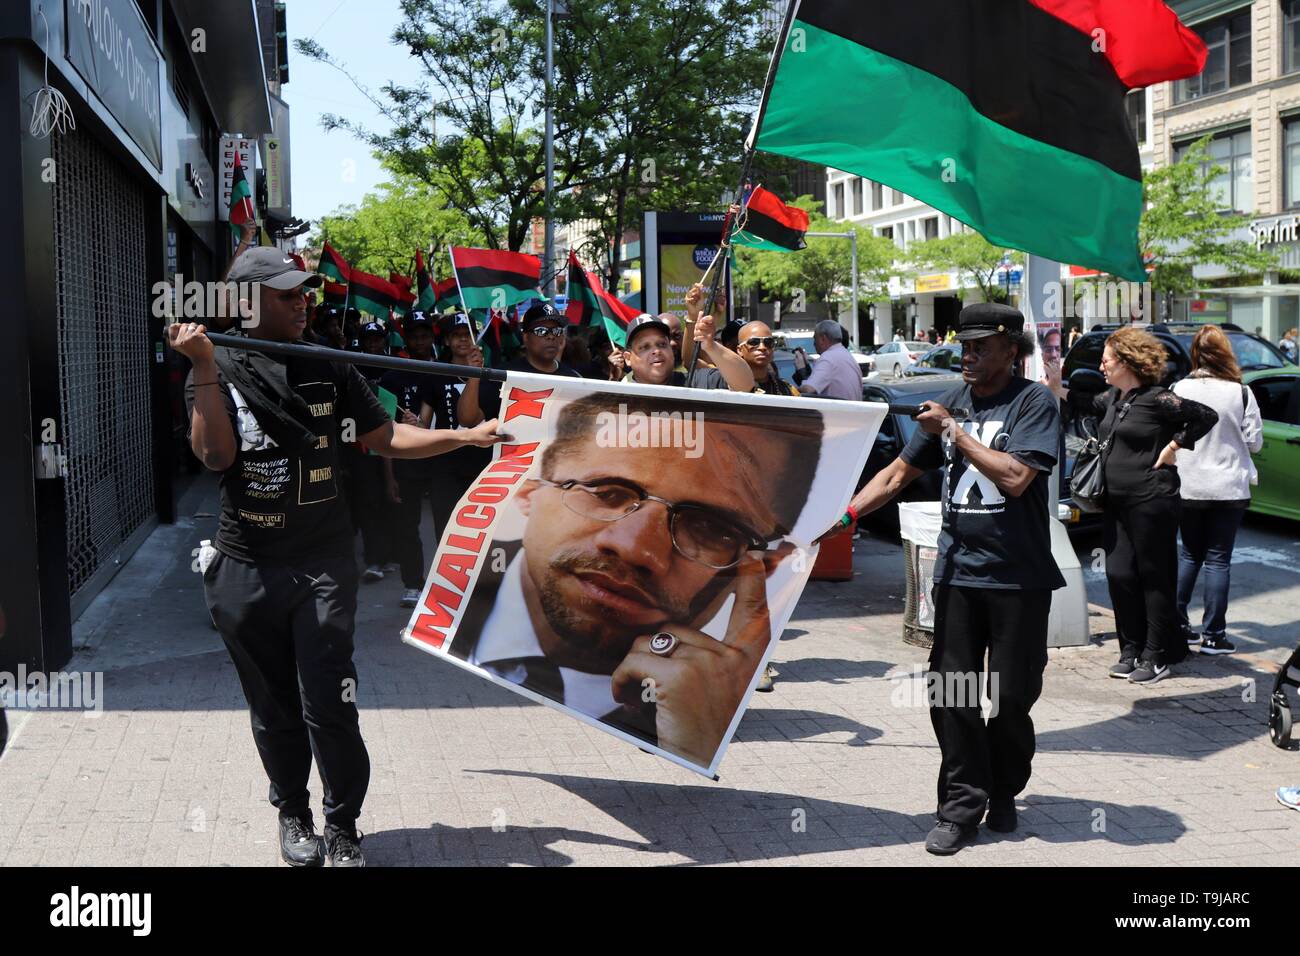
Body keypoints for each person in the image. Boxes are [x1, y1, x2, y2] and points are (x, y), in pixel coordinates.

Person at [169, 247, 504, 867]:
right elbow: (214, 456)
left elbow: (385, 438)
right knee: (272, 706)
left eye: (306, 293)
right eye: (288, 293)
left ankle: (343, 821)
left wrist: (465, 435)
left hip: (322, 563)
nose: (303, 302)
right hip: (245, 564)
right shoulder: (216, 362)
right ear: (247, 302)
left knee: (331, 700)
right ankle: (293, 813)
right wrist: (206, 368)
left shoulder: (328, 364)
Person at [445, 392, 823, 767]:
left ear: (762, 566)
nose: (636, 548)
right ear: (529, 491)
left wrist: (694, 747)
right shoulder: (451, 601)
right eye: (608, 493)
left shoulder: (697, 722)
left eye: (708, 527)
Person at [829, 303, 1065, 855]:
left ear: (1012, 350)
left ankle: (1004, 787)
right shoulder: (951, 404)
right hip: (958, 575)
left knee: (1011, 698)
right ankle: (960, 806)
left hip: (1019, 579)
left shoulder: (1032, 403)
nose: (969, 356)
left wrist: (956, 434)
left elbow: (1016, 478)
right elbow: (895, 474)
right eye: (964, 345)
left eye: (982, 347)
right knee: (950, 693)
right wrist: (843, 518)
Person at [1066, 327, 1218, 686]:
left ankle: (1156, 655)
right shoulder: (1114, 400)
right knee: (1120, 575)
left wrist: (1173, 448)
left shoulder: (1157, 399)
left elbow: (1205, 416)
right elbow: (1081, 401)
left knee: (1154, 577)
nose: (1101, 365)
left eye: (1106, 359)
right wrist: (1055, 383)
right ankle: (1130, 649)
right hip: (1115, 503)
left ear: (1127, 361)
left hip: (1152, 501)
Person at [1171, 325, 1263, 655]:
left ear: (1195, 352)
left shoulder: (1179, 388)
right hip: (1229, 487)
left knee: (1189, 554)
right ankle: (1214, 635)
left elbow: (1169, 432)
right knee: (1218, 560)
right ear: (1226, 353)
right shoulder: (1240, 392)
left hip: (1189, 485)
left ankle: (1178, 625)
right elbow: (1254, 443)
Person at [378, 313, 445, 608]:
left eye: (425, 335)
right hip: (405, 464)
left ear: (433, 338)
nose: (421, 341)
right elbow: (384, 431)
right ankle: (413, 584)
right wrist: (389, 475)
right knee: (407, 527)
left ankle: (448, 586)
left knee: (446, 528)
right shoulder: (392, 376)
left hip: (442, 463)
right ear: (406, 339)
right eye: (415, 336)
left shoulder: (445, 371)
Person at [458, 303, 583, 427]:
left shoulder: (574, 379)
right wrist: (474, 376)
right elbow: (468, 420)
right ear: (526, 338)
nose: (551, 336)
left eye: (556, 331)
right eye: (541, 331)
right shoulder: (503, 376)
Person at [618, 308, 755, 391]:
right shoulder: (613, 398)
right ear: (628, 358)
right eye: (645, 347)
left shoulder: (695, 382)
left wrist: (711, 346)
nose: (656, 351)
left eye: (661, 344)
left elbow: (745, 385)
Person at [797, 320, 861, 400]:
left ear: (823, 339)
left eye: (815, 338)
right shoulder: (849, 357)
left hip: (835, 411)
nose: (814, 343)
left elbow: (809, 389)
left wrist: (792, 389)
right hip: (852, 411)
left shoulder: (828, 358)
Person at [736, 320, 799, 397]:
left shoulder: (787, 390)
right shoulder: (726, 383)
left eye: (768, 342)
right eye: (754, 342)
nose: (762, 347)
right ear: (740, 350)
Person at [1039, 328, 1066, 400]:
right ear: (1042, 355)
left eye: (1057, 349)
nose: (1053, 355)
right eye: (1048, 349)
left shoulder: (1067, 382)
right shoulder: (1036, 384)